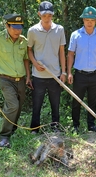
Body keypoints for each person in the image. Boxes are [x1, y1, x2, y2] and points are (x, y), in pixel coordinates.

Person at [0, 14, 31, 148]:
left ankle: (13, 129)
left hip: (20, 79)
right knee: (13, 106)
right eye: (14, 28)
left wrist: (28, 76)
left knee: (19, 106)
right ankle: (4, 136)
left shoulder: (23, 40)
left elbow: (26, 59)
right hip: (5, 79)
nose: (18, 31)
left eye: (20, 28)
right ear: (7, 26)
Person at [27, 1, 66, 134]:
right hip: (39, 76)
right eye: (44, 15)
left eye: (49, 15)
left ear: (52, 15)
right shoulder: (32, 31)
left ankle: (55, 126)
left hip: (55, 74)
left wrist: (64, 72)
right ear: (39, 14)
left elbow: (62, 52)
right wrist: (35, 63)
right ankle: (35, 128)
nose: (47, 18)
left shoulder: (59, 29)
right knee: (37, 103)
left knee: (55, 104)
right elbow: (29, 50)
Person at [67, 6, 96, 134]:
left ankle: (91, 125)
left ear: (95, 21)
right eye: (87, 19)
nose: (89, 22)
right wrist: (68, 72)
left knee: (93, 101)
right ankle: (75, 125)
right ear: (83, 20)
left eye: (92, 20)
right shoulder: (76, 35)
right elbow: (70, 54)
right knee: (76, 101)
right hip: (80, 75)